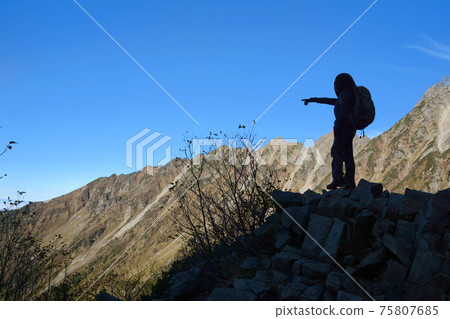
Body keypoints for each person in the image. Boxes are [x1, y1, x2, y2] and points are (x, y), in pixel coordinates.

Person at [302, 73, 357, 190]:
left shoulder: (345, 95)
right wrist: (313, 100)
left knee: (337, 152)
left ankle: (338, 178)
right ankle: (349, 182)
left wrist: (339, 126)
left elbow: (344, 111)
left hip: (343, 127)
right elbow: (329, 101)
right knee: (348, 155)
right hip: (349, 128)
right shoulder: (347, 95)